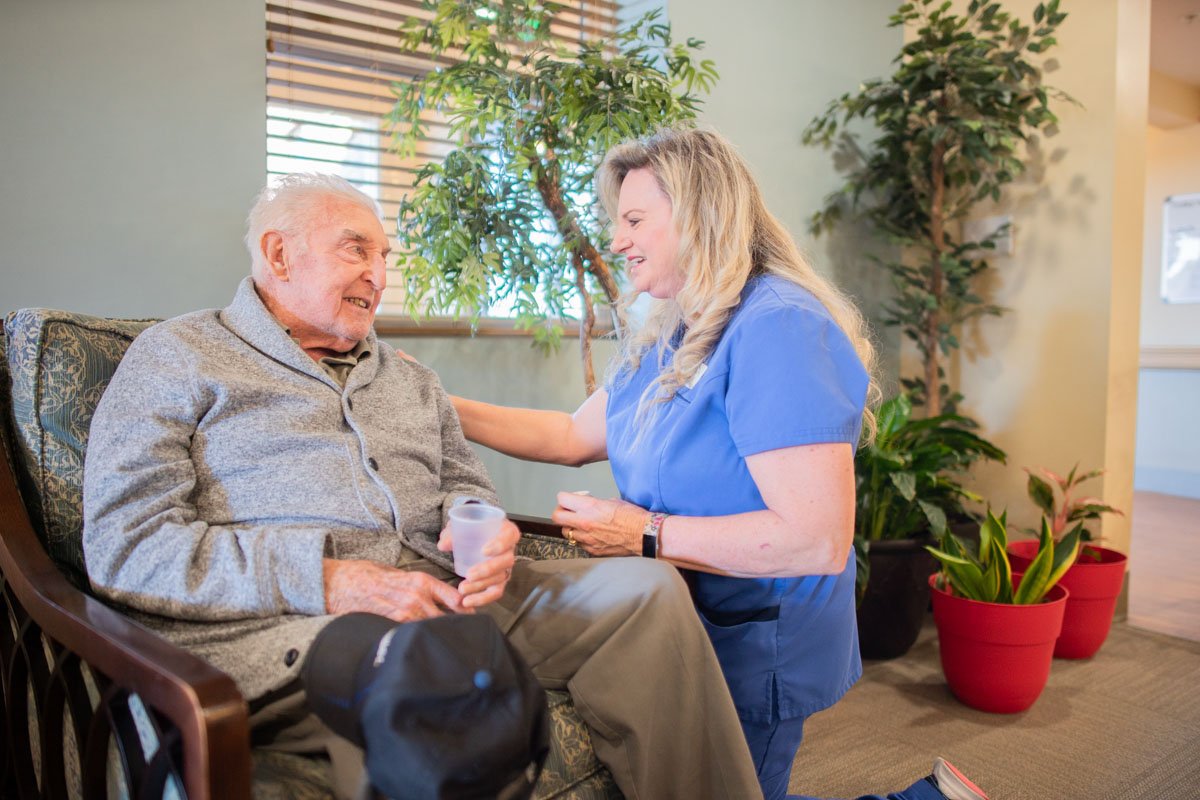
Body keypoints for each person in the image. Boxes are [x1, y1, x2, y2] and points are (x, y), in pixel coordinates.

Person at [80, 173, 765, 800]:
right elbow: (127, 546)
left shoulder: (409, 378)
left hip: (450, 593)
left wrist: (488, 528)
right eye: (357, 251)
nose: (378, 277)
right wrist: (331, 581)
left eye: (384, 258)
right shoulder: (179, 356)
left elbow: (466, 490)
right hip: (298, 622)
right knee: (423, 680)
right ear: (279, 255)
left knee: (648, 591)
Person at [446, 128, 989, 800]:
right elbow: (567, 434)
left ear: (699, 214)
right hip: (691, 614)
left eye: (635, 220)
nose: (618, 241)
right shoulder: (678, 329)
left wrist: (642, 532)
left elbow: (816, 539)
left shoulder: (778, 326)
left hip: (760, 631)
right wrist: (435, 402)